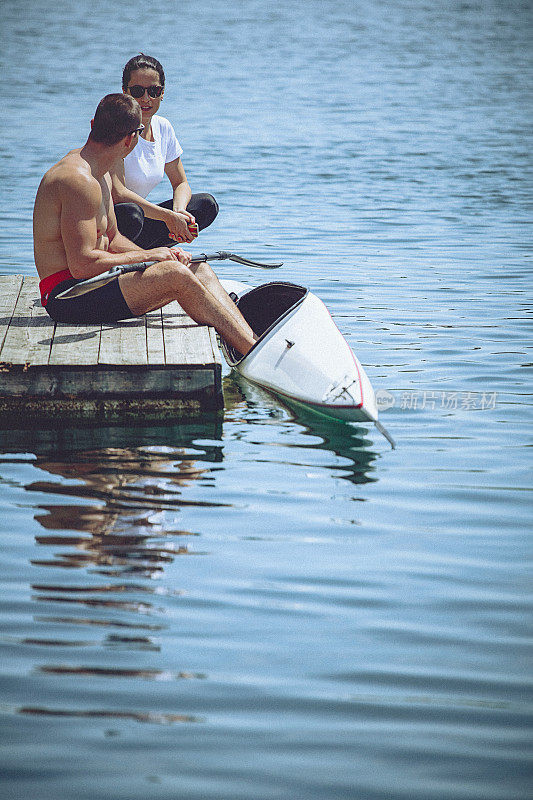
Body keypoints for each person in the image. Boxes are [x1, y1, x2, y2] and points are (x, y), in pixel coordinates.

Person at [33, 93, 256, 356]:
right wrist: (151, 255)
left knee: (199, 269)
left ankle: (252, 341)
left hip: (97, 281)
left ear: (93, 124)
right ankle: (251, 351)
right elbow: (81, 265)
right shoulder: (78, 181)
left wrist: (163, 255)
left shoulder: (100, 170)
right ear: (131, 139)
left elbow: (113, 239)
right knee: (176, 275)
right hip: (67, 296)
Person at [111, 53, 218, 248]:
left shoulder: (163, 127)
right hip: (111, 223)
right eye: (137, 91)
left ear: (162, 93)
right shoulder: (116, 129)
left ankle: (151, 254)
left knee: (206, 205)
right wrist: (167, 217)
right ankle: (130, 257)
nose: (146, 99)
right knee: (132, 213)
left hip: (140, 221)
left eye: (153, 91)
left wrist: (178, 211)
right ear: (124, 92)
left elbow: (181, 183)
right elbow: (118, 194)